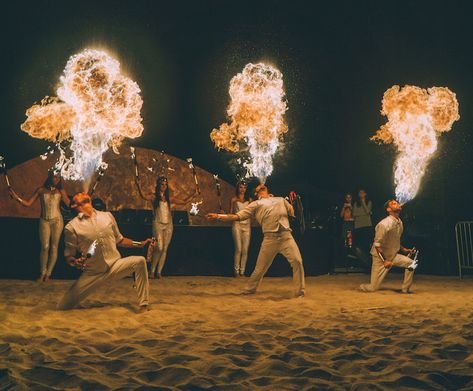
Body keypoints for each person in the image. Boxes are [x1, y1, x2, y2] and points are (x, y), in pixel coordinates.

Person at [57, 192, 151, 312]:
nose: (82, 193)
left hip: (115, 267)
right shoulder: (71, 227)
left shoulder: (107, 216)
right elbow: (69, 254)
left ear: (90, 200)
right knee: (63, 306)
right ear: (74, 206)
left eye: (84, 195)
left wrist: (140, 244)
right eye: (78, 196)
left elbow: (120, 240)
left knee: (140, 261)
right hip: (93, 273)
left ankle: (144, 305)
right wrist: (74, 261)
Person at [207, 183, 305, 297]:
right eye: (259, 186)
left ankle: (300, 291)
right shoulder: (255, 204)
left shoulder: (281, 199)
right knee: (260, 268)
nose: (262, 185)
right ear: (255, 193)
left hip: (286, 236)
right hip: (270, 239)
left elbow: (292, 212)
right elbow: (236, 216)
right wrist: (218, 216)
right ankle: (250, 289)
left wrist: (295, 204)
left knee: (298, 262)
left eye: (263, 185)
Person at [9, 170, 70, 282]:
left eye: (58, 177)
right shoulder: (41, 190)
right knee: (45, 246)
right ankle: (42, 273)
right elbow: (28, 204)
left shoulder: (61, 191)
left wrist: (84, 199)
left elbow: (70, 204)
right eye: (54, 177)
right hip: (44, 220)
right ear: (50, 177)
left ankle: (48, 274)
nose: (56, 179)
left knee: (54, 247)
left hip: (57, 220)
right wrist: (16, 197)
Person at [360, 199, 416, 293]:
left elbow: (395, 240)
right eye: (393, 203)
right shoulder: (383, 224)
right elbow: (377, 245)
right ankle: (363, 286)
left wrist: (404, 250)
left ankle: (405, 289)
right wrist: (384, 261)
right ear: (388, 210)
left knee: (412, 264)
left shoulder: (400, 222)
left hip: (393, 255)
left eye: (397, 203)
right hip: (380, 258)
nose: (397, 204)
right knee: (373, 288)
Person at [148, 176, 173, 279]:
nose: (164, 186)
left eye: (165, 184)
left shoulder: (168, 198)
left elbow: (183, 201)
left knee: (165, 249)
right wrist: (138, 185)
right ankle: (152, 270)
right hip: (158, 223)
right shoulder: (154, 197)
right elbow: (143, 196)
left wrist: (193, 195)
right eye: (162, 184)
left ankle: (158, 272)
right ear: (158, 185)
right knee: (159, 247)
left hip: (168, 225)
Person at [230, 180, 252, 277]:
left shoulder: (250, 200)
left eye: (244, 187)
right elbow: (230, 213)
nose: (243, 189)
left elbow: (252, 212)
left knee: (245, 250)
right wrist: (223, 213)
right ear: (237, 188)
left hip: (247, 225)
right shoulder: (233, 199)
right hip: (237, 225)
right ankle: (236, 272)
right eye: (241, 187)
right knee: (238, 249)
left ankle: (242, 272)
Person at [353, 189, 373, 257]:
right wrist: (366, 213)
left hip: (367, 225)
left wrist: (363, 202)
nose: (361, 194)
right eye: (360, 192)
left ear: (365, 194)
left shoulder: (369, 202)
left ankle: (368, 258)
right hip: (358, 225)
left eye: (362, 192)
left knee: (367, 244)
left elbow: (367, 211)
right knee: (360, 244)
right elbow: (354, 214)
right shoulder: (356, 203)